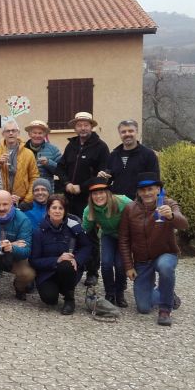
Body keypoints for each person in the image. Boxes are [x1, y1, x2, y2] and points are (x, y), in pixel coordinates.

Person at [119, 172, 188, 326]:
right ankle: (168, 293)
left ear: (158, 189)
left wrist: (171, 217)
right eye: (142, 190)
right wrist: (129, 266)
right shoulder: (130, 209)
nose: (147, 193)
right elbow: (124, 239)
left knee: (165, 267)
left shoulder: (168, 204)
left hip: (165, 253)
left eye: (150, 189)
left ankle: (165, 309)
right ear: (138, 192)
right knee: (143, 307)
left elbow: (184, 224)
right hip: (142, 261)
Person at [55, 112, 110, 287]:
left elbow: (102, 175)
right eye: (79, 125)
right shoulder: (71, 146)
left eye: (86, 124)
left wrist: (82, 187)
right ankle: (72, 265)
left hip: (89, 199)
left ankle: (93, 272)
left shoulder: (101, 147)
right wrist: (67, 183)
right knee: (69, 232)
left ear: (91, 126)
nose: (83, 128)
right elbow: (60, 168)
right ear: (75, 127)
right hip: (69, 197)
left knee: (90, 234)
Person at [29, 195, 91, 314]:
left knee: (66, 264)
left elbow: (87, 246)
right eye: (54, 208)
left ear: (65, 211)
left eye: (61, 208)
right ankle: (59, 289)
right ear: (48, 210)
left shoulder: (74, 227)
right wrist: (57, 259)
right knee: (49, 299)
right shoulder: (39, 232)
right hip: (47, 273)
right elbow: (34, 260)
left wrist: (77, 260)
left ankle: (69, 299)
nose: (57, 211)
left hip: (68, 269)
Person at [81, 177, 133, 307]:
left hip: (125, 237)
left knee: (121, 264)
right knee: (106, 262)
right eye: (95, 194)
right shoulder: (89, 210)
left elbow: (137, 215)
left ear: (108, 193)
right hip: (107, 235)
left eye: (101, 192)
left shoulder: (123, 201)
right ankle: (110, 292)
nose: (98, 196)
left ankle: (119, 293)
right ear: (91, 196)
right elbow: (84, 230)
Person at [100, 119, 159, 200]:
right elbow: (108, 180)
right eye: (123, 132)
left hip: (139, 204)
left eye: (131, 131)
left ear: (137, 132)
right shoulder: (113, 155)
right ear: (120, 134)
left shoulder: (148, 154)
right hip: (117, 203)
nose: (127, 134)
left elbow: (155, 181)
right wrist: (102, 178)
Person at [0, 119, 39, 206]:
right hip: (1, 200)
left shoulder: (28, 153)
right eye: (8, 131)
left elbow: (34, 177)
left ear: (18, 133)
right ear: (3, 134)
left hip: (21, 201)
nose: (11, 133)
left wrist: (27, 200)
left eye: (13, 130)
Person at [23, 120, 61, 188]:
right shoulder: (22, 149)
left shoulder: (53, 150)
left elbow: (61, 171)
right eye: (34, 133)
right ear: (29, 134)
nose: (37, 136)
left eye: (40, 133)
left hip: (46, 191)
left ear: (45, 135)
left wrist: (49, 163)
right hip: (26, 190)